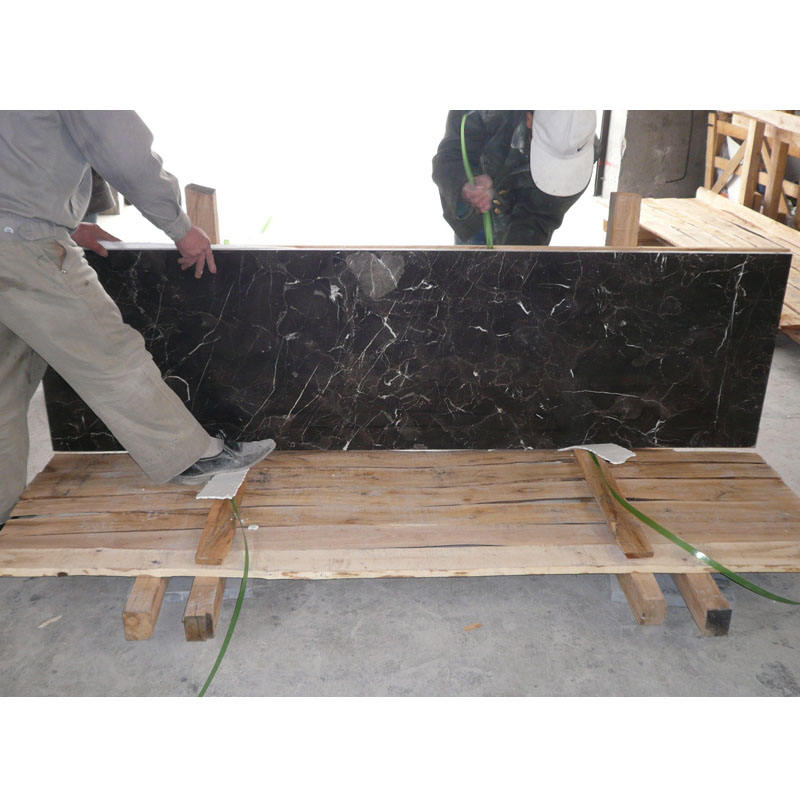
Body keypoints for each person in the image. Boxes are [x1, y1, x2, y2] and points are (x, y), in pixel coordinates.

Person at [0, 111, 275, 527]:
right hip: (22, 243)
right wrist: (179, 226)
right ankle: (190, 457)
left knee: (5, 382)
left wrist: (63, 224)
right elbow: (122, 149)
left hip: (14, 232)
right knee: (109, 353)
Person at [431, 110, 598, 246]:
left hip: (529, 225)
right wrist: (465, 183)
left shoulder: (580, 142)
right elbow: (449, 156)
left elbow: (542, 215)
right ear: (529, 118)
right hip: (480, 219)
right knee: (472, 271)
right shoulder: (482, 112)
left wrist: (516, 261)